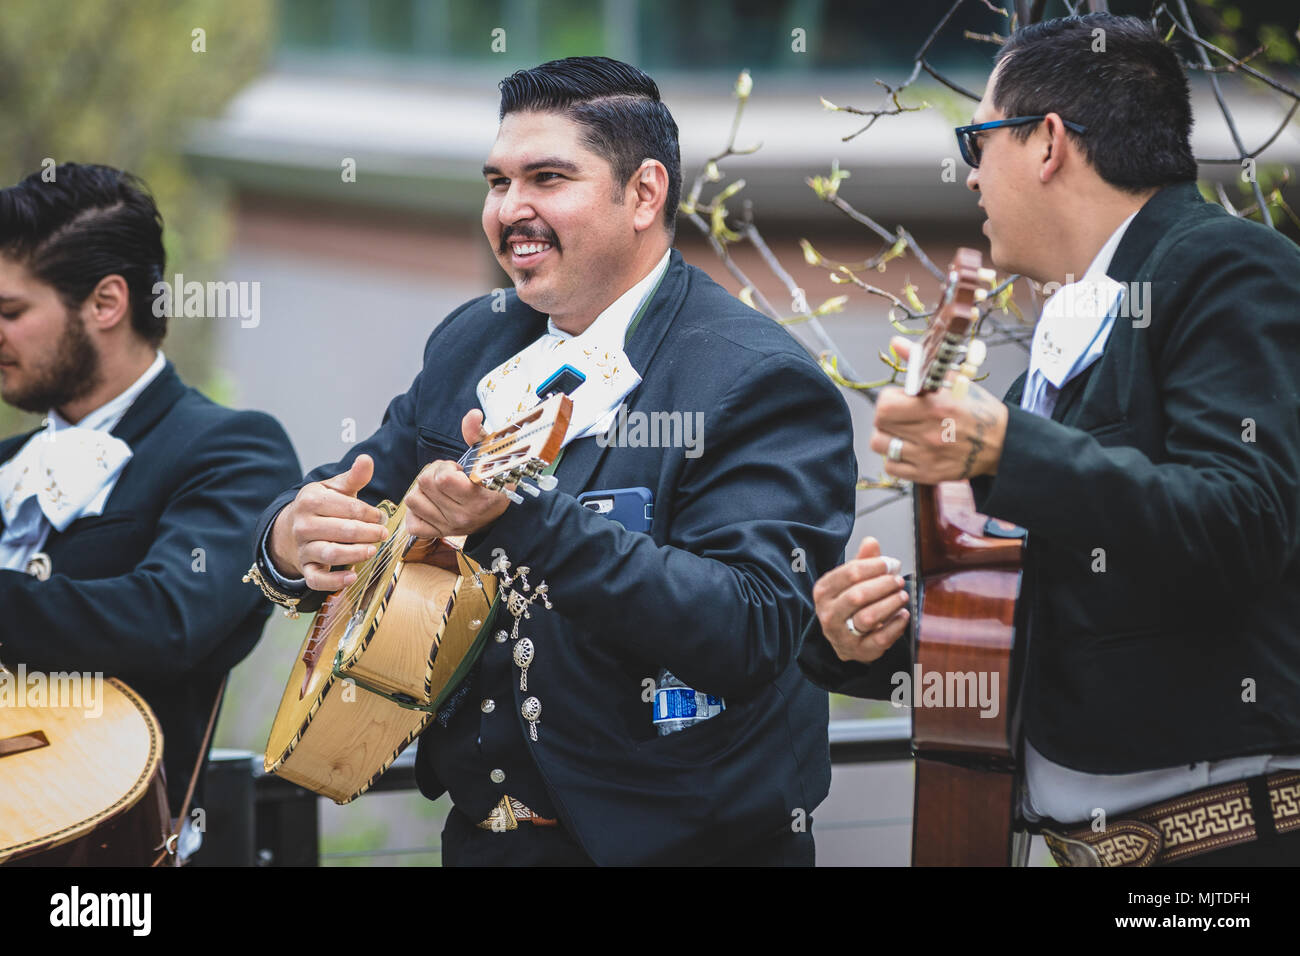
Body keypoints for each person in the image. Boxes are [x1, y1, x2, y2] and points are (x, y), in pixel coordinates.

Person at [248, 56, 857, 866]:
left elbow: (752, 626)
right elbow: (356, 483)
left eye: (547, 178)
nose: (511, 211)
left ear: (644, 193)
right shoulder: (472, 336)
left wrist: (527, 522)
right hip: (481, 844)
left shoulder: (756, 378)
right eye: (498, 183)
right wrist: (294, 535)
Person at [800, 14, 1300, 866]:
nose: (968, 178)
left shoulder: (1230, 267)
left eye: (976, 140)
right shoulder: (1076, 318)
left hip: (1220, 852)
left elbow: (1242, 520)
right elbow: (1042, 611)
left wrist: (1004, 447)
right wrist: (866, 644)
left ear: (1047, 144)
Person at [0, 163, 301, 860]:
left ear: (107, 302)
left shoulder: (232, 447)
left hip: (110, 860)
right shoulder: (9, 464)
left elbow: (168, 621)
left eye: (11, 312)